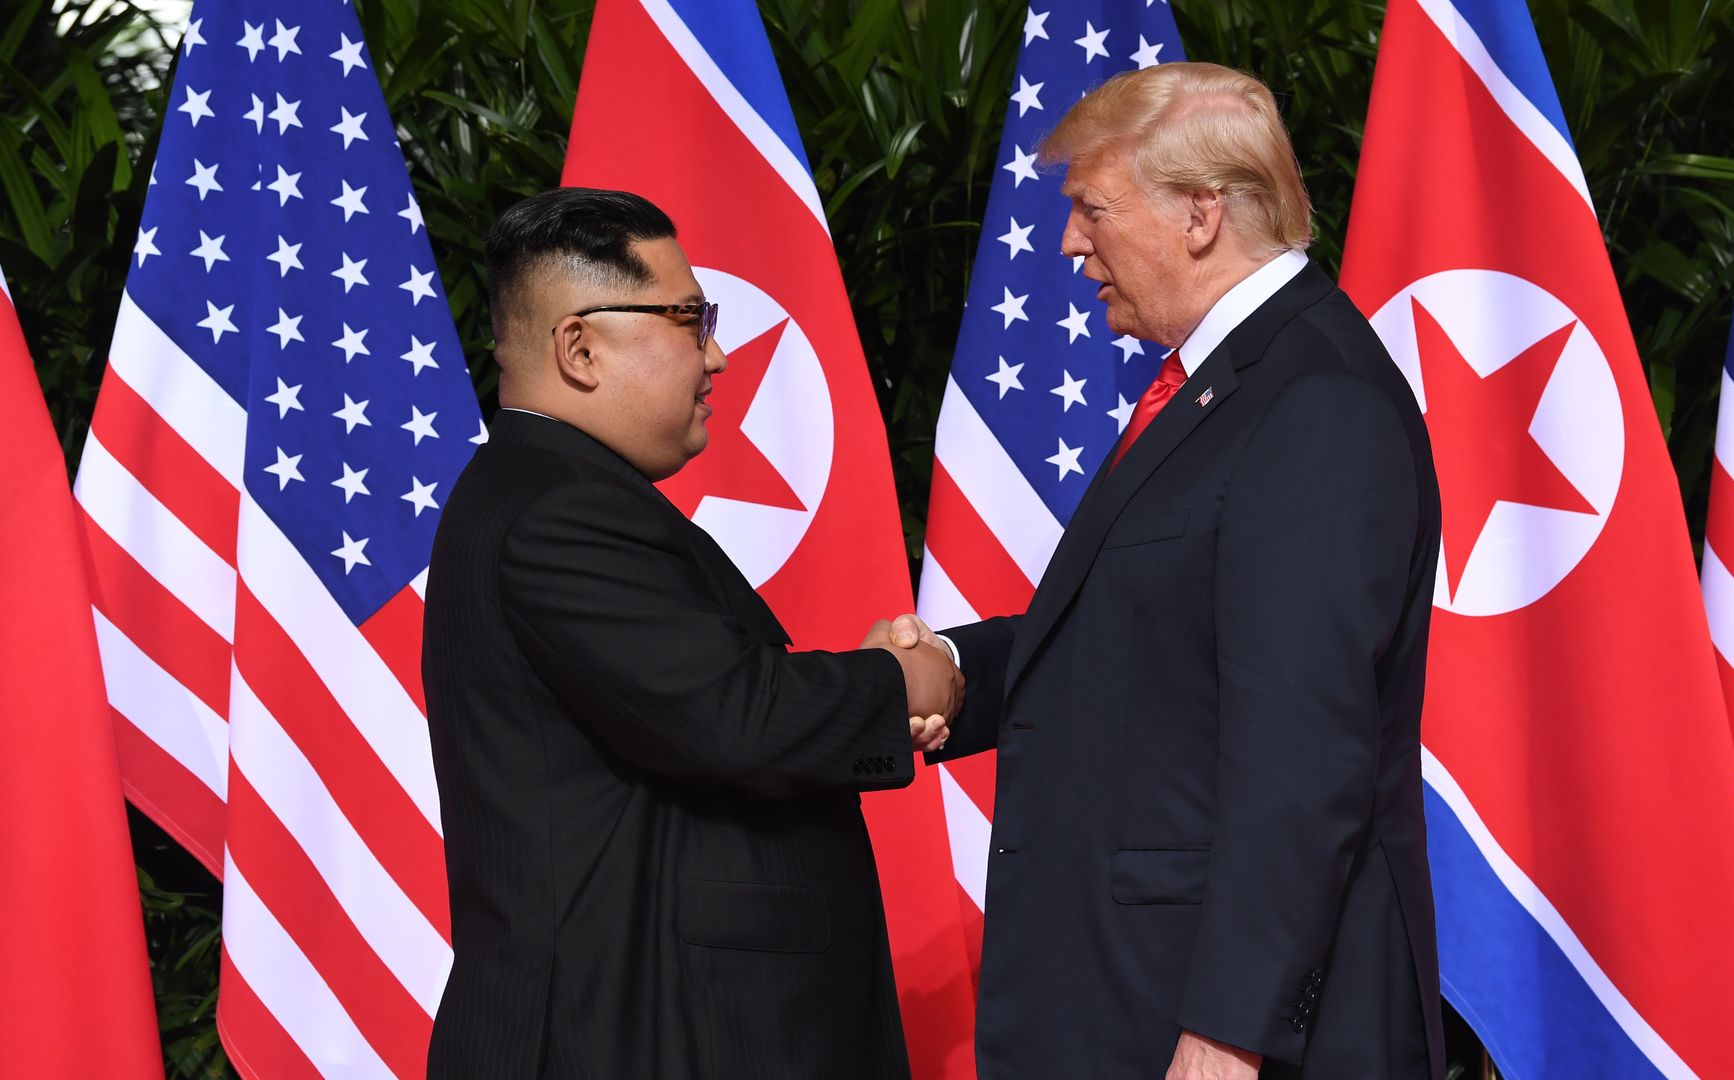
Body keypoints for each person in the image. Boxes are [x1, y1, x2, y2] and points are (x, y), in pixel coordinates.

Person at [889, 63, 1444, 1079]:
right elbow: (1154, 632)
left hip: (1217, 1025)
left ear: (1199, 215)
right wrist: (952, 671)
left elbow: (1304, 754)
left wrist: (1233, 1027)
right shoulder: (1226, 387)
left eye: (1092, 210)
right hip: (1136, 993)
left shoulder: (1314, 402)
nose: (1068, 243)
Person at [421, 187, 957, 1080]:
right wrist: (902, 683)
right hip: (621, 1040)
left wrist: (959, 671)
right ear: (581, 347)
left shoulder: (549, 491)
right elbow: (735, 718)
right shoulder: (560, 510)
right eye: (688, 318)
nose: (716, 356)